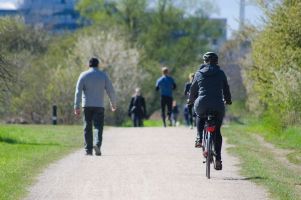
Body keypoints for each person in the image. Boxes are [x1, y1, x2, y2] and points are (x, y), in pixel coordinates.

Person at [188, 52, 232, 170]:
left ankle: (199, 137)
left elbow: (193, 90)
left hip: (202, 103)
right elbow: (226, 88)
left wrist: (190, 100)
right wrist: (228, 100)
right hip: (218, 104)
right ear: (216, 61)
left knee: (199, 114)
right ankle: (218, 159)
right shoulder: (221, 73)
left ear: (204, 61)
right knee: (217, 131)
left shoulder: (198, 73)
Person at [74, 57, 117, 156]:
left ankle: (88, 150)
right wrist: (113, 103)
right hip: (99, 106)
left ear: (89, 65)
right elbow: (111, 90)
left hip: (87, 105)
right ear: (98, 65)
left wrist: (76, 106)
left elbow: (78, 92)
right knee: (98, 126)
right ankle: (97, 144)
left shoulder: (83, 75)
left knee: (87, 127)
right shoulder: (103, 75)